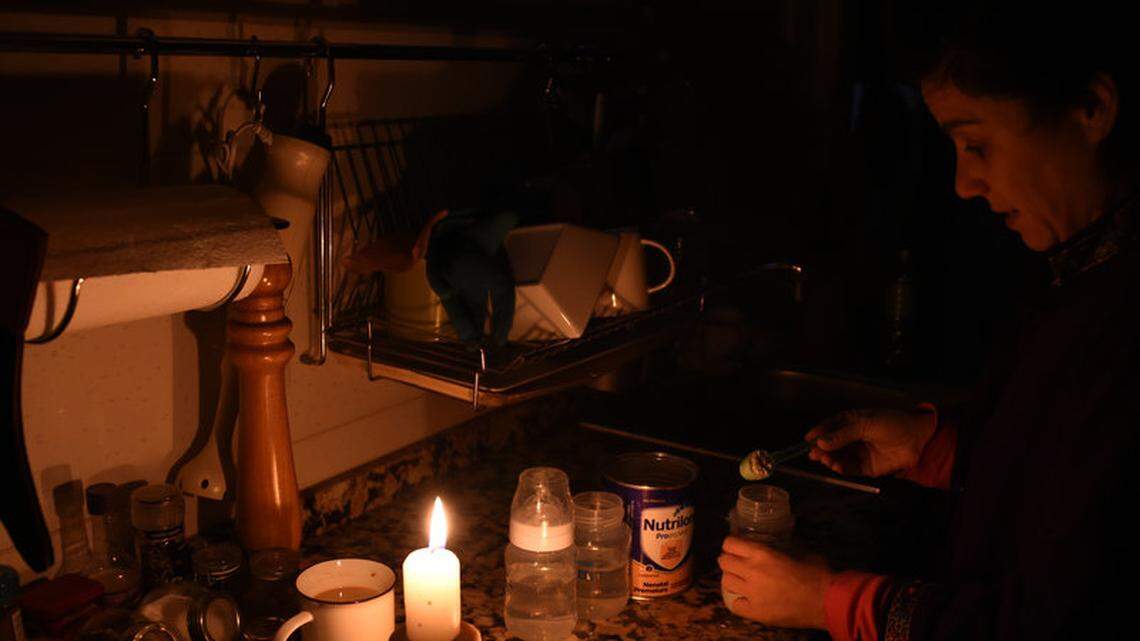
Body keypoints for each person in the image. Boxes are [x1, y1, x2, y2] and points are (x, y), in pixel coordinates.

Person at [718, 6, 1140, 640]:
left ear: (1092, 109)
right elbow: (1066, 482)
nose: (964, 182)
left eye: (977, 144)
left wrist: (830, 601)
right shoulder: (1073, 271)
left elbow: (1054, 619)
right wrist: (939, 449)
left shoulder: (1125, 322)